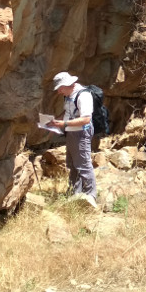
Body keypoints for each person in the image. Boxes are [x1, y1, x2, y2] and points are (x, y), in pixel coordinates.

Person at [51, 71, 97, 207]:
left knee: (83, 165)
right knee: (73, 165)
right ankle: (74, 194)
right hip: (71, 133)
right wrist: (55, 122)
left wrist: (64, 124)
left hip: (81, 134)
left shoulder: (84, 96)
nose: (59, 91)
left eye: (60, 88)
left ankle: (90, 196)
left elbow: (86, 119)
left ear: (68, 84)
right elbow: (68, 113)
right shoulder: (69, 95)